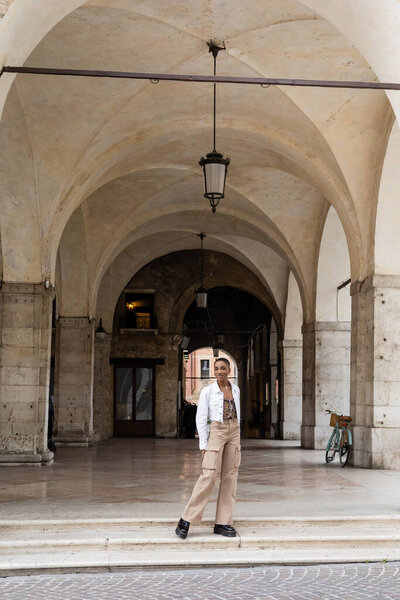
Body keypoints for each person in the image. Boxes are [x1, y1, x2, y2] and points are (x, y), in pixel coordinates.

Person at [175, 357, 241, 539]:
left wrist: (237, 433)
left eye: (223, 368)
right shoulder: (208, 391)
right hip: (217, 431)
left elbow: (237, 413)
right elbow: (201, 418)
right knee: (209, 475)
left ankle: (223, 522)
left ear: (229, 370)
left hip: (234, 431)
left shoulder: (235, 389)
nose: (219, 371)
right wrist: (203, 445)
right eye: (216, 369)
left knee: (230, 477)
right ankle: (186, 519)